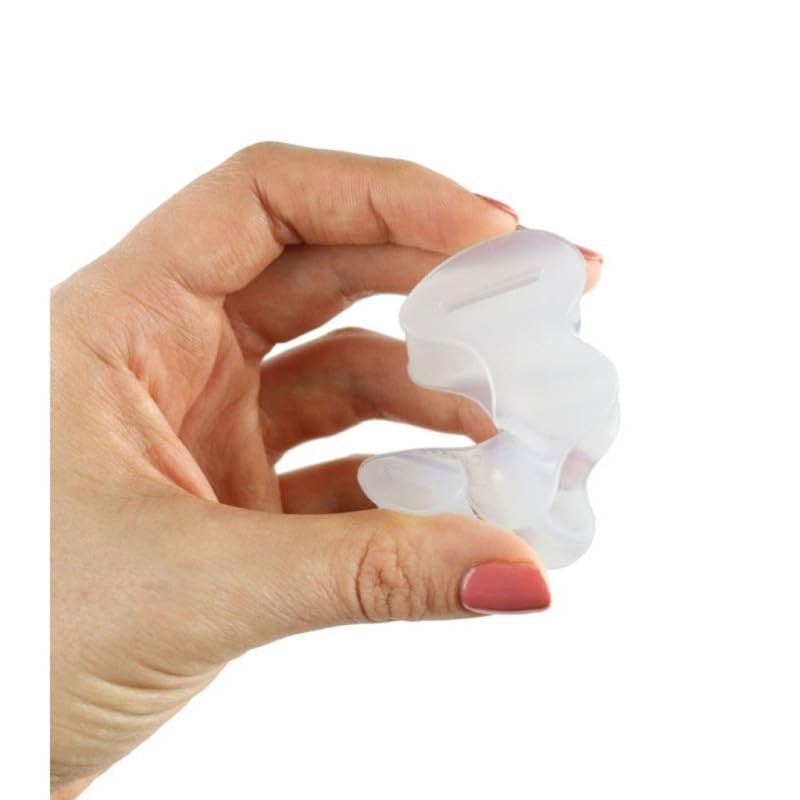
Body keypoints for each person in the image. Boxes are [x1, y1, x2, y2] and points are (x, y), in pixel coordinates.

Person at [50, 143, 602, 797]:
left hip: (527, 481)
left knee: (508, 487)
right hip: (520, 480)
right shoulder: (554, 398)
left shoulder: (565, 400)